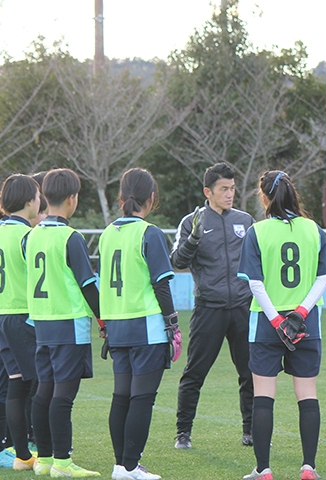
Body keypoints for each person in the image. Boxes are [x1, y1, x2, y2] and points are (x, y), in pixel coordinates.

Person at [237, 171, 326, 480]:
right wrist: (301, 312)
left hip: (267, 324)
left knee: (263, 394)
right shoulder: (313, 230)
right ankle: (308, 467)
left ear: (264, 198)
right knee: (307, 393)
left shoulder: (258, 231)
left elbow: (255, 284)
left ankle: (263, 470)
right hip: (306, 322)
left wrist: (278, 319)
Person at [99, 168, 181, 480]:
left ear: (120, 198)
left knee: (121, 396)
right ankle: (131, 466)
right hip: (146, 327)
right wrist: (173, 324)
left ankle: (121, 465)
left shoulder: (107, 234)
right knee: (141, 397)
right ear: (152, 198)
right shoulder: (150, 233)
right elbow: (161, 285)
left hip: (117, 326)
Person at [171, 162, 255, 448]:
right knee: (195, 372)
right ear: (208, 191)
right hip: (209, 307)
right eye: (224, 189)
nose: (230, 194)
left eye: (232, 188)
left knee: (249, 371)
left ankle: (250, 431)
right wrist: (193, 239)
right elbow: (178, 262)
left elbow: (257, 262)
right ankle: (183, 433)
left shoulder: (245, 221)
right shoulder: (191, 221)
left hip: (244, 307)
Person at [25, 168, 102, 477]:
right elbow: (87, 285)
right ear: (72, 199)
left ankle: (43, 460)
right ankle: (63, 463)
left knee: (43, 391)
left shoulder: (31, 237)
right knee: (62, 396)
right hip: (68, 324)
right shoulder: (71, 238)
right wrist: (103, 319)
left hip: (41, 323)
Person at [0, 174, 40, 470]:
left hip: (1, 315)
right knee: (40, 384)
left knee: (15, 384)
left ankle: (22, 454)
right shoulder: (28, 237)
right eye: (38, 196)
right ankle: (49, 450)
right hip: (22, 315)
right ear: (30, 201)